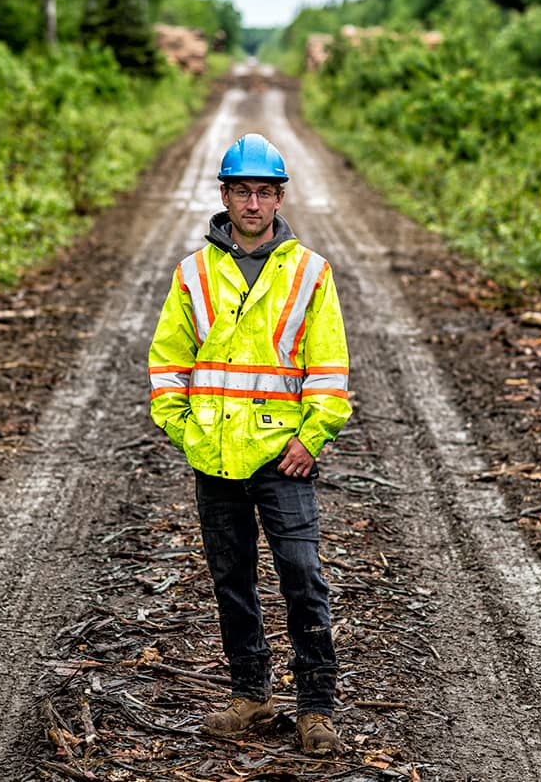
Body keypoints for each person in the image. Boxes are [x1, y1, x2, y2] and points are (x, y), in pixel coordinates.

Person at [148, 133, 352, 756]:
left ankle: (316, 707)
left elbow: (330, 371)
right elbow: (166, 367)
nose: (254, 204)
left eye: (265, 192)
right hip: (215, 459)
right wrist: (187, 430)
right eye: (242, 191)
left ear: (280, 196)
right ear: (225, 196)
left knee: (302, 576)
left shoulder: (310, 272)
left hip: (284, 459)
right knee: (231, 579)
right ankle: (251, 694)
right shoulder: (193, 273)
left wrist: (311, 439)